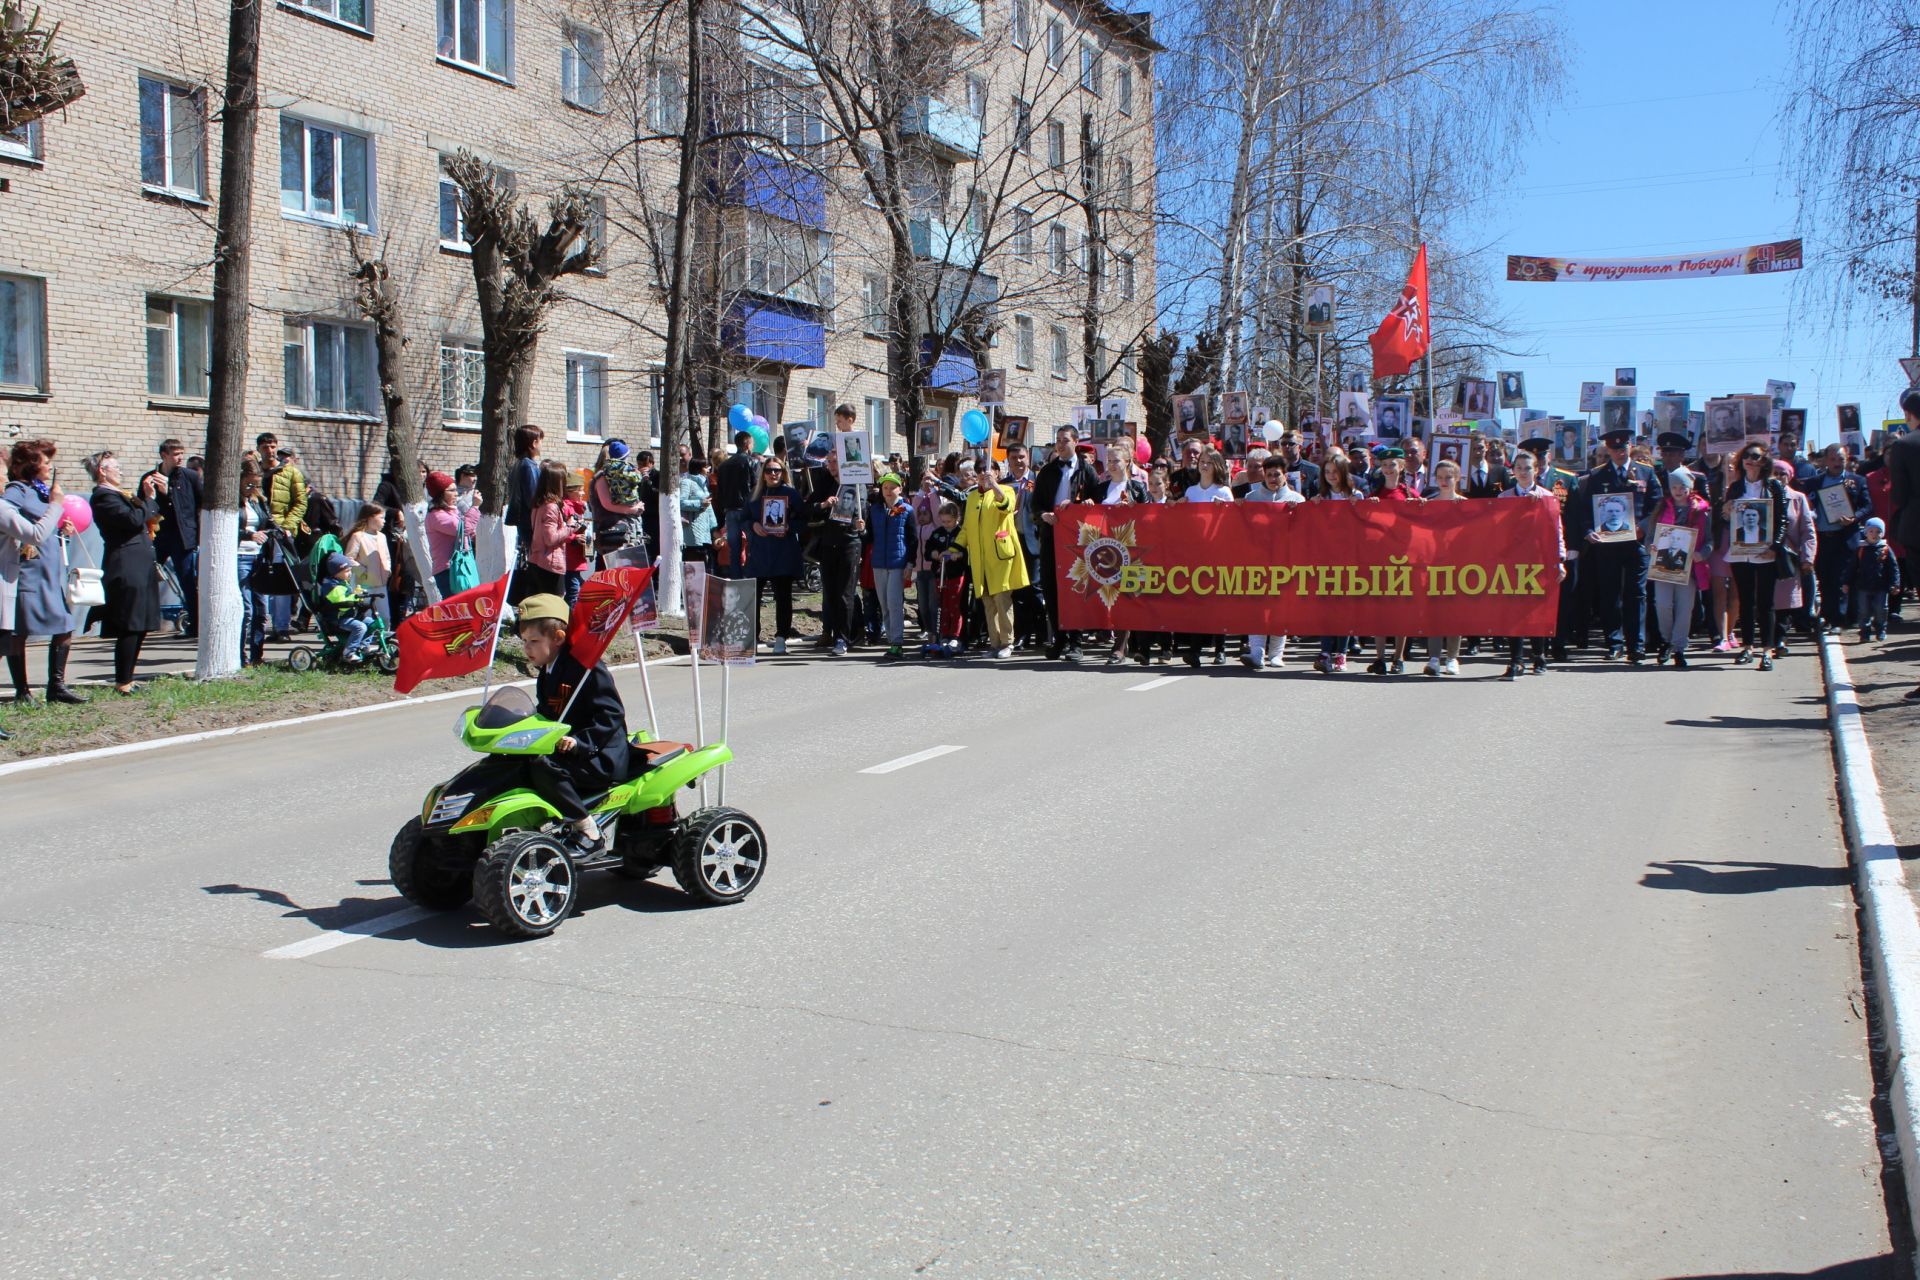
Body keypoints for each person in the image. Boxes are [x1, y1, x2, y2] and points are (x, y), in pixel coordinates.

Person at [510, 593, 633, 856]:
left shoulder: (585, 668)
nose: (527, 649)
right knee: (514, 760)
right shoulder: (547, 671)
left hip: (599, 755)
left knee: (542, 767)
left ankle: (587, 828)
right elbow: (547, 713)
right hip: (567, 749)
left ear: (557, 638)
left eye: (534, 641)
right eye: (524, 642)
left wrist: (581, 742)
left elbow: (611, 713)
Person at [1, 439, 83, 704]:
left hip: (49, 571)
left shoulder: (40, 491)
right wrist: (55, 505)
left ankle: (56, 686)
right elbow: (19, 525)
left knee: (64, 625)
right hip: (29, 572)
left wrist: (62, 532)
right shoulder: (18, 490)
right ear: (30, 466)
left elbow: (44, 527)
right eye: (45, 462)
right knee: (19, 631)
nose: (50, 466)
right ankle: (22, 691)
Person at [1575, 426, 1658, 662]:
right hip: (1608, 544)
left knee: (1636, 594)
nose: (1619, 452)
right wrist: (1589, 531)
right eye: (1614, 448)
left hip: (1636, 542)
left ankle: (1636, 645)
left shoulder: (1645, 472)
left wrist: (1644, 526)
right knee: (1610, 594)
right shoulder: (1597, 475)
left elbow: (1657, 504)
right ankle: (1614, 643)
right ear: (1608, 450)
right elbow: (1585, 510)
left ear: (1630, 447)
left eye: (1623, 447)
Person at [83, 451, 162, 695]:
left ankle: (128, 676)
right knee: (131, 622)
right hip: (126, 563)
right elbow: (132, 520)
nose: (121, 470)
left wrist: (149, 499)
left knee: (142, 623)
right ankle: (122, 680)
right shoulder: (103, 497)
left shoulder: (120, 494)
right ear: (101, 471)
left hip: (140, 561)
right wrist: (147, 500)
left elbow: (147, 515)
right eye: (115, 466)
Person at [1718, 444, 1789, 670]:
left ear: (1764, 461)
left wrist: (1775, 547)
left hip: (1765, 551)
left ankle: (1767, 650)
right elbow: (1725, 520)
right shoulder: (1736, 487)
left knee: (1766, 602)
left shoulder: (1773, 486)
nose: (1749, 460)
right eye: (1746, 456)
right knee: (1745, 600)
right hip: (1741, 552)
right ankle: (1747, 647)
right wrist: (1726, 512)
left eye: (1755, 456)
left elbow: (1782, 520)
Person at [1498, 446, 1564, 677]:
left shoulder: (1547, 497)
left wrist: (1560, 561)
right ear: (1513, 471)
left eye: (1528, 468)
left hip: (1539, 561)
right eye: (1519, 468)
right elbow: (1495, 531)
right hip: (1512, 563)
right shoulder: (1504, 497)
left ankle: (1539, 655)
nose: (1523, 472)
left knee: (1537, 609)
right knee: (1514, 611)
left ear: (1536, 470)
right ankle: (1515, 659)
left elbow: (1557, 532)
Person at [1032, 426, 1096, 659]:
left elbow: (1097, 502)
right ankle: (1059, 639)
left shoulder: (1086, 470)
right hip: (1051, 537)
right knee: (1051, 587)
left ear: (1076, 442)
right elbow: (1035, 504)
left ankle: (1076, 641)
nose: (1060, 444)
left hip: (1078, 541)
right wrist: (1043, 516)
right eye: (1057, 440)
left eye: (1065, 440)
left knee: (1076, 587)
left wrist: (1089, 503)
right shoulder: (1048, 471)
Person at [956, 462, 1028, 659]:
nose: (982, 473)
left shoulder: (1006, 489)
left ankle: (1008, 642)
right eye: (979, 471)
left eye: (986, 470)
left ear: (996, 471)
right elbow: (966, 527)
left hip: (1000, 556)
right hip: (980, 558)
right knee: (988, 601)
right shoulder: (972, 496)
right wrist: (956, 547)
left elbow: (1006, 506)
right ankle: (995, 643)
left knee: (1002, 599)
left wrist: (994, 485)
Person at [1242, 455, 1305, 669]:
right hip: (1257, 561)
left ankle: (1277, 654)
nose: (1272, 478)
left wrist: (1297, 512)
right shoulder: (1251, 498)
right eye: (1268, 474)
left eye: (1276, 474)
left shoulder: (1297, 499)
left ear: (1285, 475)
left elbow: (1305, 530)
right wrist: (1237, 507)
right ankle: (1256, 651)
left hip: (1285, 561)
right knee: (1257, 606)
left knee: (1280, 607)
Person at [1648, 468, 1712, 669]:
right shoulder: (1661, 508)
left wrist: (1703, 553)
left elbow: (1710, 540)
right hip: (1664, 567)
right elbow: (1651, 536)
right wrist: (1651, 547)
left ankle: (1679, 648)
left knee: (1685, 608)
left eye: (1682, 487)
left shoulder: (1701, 510)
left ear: (1689, 487)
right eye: (1674, 486)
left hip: (1690, 568)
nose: (1678, 491)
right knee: (1663, 605)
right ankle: (1667, 640)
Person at [807, 444, 864, 655]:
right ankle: (843, 631)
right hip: (828, 543)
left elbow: (862, 510)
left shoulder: (856, 483)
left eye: (834, 462)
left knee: (845, 593)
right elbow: (809, 508)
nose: (830, 466)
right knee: (830, 593)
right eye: (828, 462)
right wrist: (823, 505)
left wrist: (860, 523)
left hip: (849, 543)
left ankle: (843, 638)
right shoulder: (825, 482)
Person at [143, 437, 203, 637]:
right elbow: (145, 506)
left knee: (187, 580)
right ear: (164, 455)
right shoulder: (150, 477)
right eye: (175, 454)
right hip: (159, 535)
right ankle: (145, 619)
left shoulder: (189, 477)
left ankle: (195, 624)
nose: (179, 458)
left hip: (183, 536)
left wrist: (168, 490)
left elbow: (197, 505)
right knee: (147, 576)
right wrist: (157, 492)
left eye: (181, 454)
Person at [1809, 443, 1872, 634]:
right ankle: (1828, 617)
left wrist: (1853, 517)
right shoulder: (1815, 482)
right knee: (1825, 579)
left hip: (1844, 538)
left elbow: (1867, 506)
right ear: (1826, 460)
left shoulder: (1857, 481)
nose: (1837, 463)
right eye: (1833, 459)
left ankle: (1839, 619)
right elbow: (1808, 505)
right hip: (1822, 538)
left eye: (1841, 459)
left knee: (1841, 579)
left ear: (1847, 460)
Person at [747, 457, 802, 655]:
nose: (773, 474)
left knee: (783, 596)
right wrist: (753, 525)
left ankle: (781, 637)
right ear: (763, 472)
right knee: (753, 595)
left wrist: (789, 527)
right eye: (769, 470)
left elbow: (803, 519)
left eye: (777, 470)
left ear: (783, 472)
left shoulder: (791, 493)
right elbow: (746, 517)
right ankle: (752, 637)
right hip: (760, 552)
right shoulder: (756, 493)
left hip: (783, 552)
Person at [1422, 459, 1467, 676]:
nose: (1443, 482)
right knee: (1435, 613)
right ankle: (1433, 658)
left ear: (1457, 478)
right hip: (1434, 565)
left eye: (1448, 477)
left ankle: (1452, 657)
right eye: (1439, 478)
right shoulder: (1429, 504)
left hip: (1460, 566)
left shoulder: (1467, 505)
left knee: (1455, 613)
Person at [865, 473, 917, 657]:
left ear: (899, 489)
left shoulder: (906, 510)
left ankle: (897, 642)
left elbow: (913, 539)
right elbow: (869, 536)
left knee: (894, 603)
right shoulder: (875, 510)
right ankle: (891, 639)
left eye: (892, 487)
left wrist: (910, 563)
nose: (888, 491)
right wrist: (860, 528)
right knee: (884, 604)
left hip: (897, 563)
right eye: (885, 488)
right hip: (879, 563)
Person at [525, 461, 580, 599]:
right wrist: (571, 527)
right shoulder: (551, 507)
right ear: (557, 482)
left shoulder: (539, 503)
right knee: (553, 607)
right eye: (564, 480)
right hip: (549, 564)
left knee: (539, 605)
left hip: (536, 560)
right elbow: (550, 539)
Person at [588, 441, 646, 568]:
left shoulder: (618, 476)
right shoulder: (601, 477)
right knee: (609, 575)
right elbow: (607, 504)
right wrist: (633, 509)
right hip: (611, 533)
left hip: (622, 533)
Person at [424, 470, 481, 598]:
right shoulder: (436, 515)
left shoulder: (452, 512)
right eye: (451, 490)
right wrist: (475, 507)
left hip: (462, 566)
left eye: (456, 490)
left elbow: (468, 531)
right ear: (440, 494)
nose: (456, 494)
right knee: (458, 609)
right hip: (449, 571)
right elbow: (463, 529)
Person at [237, 462, 272, 667]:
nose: (252, 489)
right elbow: (228, 527)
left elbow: (267, 522)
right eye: (249, 485)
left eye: (256, 485)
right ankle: (241, 655)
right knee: (247, 610)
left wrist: (277, 528)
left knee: (262, 609)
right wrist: (249, 534)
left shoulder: (258, 501)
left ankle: (257, 654)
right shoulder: (231, 502)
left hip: (258, 557)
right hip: (240, 556)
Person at [714, 431, 761, 578]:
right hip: (747, 510)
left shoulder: (724, 465)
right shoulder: (751, 461)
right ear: (747, 444)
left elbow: (720, 491)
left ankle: (737, 580)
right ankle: (751, 580)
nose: (752, 446)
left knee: (734, 549)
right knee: (752, 547)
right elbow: (756, 486)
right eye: (752, 442)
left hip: (730, 510)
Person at [316, 552, 372, 663]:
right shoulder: (331, 586)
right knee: (360, 627)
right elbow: (342, 603)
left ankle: (363, 646)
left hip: (349, 615)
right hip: (338, 619)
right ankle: (348, 652)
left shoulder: (342, 582)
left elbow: (348, 596)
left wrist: (358, 595)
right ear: (336, 572)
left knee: (370, 622)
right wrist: (356, 598)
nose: (350, 573)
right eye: (347, 571)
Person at [343, 503, 393, 625]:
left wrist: (388, 570)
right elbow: (349, 558)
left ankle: (383, 641)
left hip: (381, 583)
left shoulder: (382, 536)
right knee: (366, 616)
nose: (384, 521)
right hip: (364, 585)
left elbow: (386, 556)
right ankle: (366, 641)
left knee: (385, 617)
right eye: (381, 517)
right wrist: (363, 571)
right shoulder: (358, 536)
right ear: (370, 517)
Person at [1855, 517, 1900, 642]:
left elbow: (1893, 568)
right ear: (1866, 532)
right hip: (1863, 585)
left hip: (1881, 586)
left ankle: (1881, 629)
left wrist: (1895, 584)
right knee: (1863, 610)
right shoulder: (1861, 549)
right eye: (1871, 531)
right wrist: (1846, 582)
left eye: (1878, 531)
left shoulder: (1885, 548)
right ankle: (1864, 632)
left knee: (1881, 609)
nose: (1874, 535)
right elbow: (1852, 567)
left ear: (1882, 533)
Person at [506, 423, 545, 559]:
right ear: (534, 443)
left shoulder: (518, 464)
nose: (541, 445)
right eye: (541, 441)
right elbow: (533, 499)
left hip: (524, 523)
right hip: (532, 524)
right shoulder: (529, 466)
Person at [679, 456, 716, 572]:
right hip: (692, 528)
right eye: (706, 467)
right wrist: (699, 503)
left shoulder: (704, 484)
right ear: (698, 468)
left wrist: (714, 527)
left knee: (704, 562)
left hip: (705, 530)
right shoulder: (687, 482)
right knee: (694, 562)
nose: (709, 469)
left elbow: (708, 507)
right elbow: (680, 502)